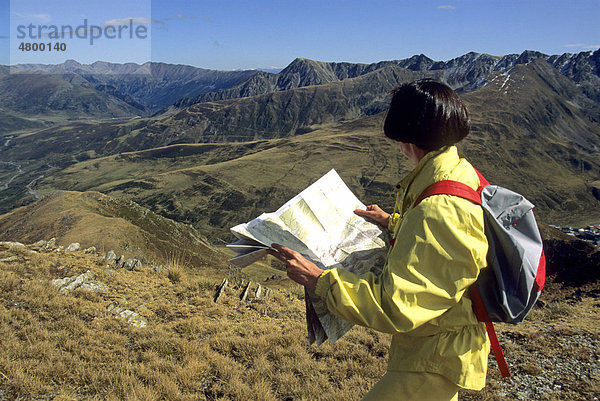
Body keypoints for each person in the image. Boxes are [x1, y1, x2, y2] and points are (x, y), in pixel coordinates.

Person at [269, 79, 490, 401]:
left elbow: (398, 306)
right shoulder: (456, 172)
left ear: (405, 136)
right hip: (436, 345)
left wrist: (320, 280)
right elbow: (448, 247)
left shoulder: (438, 208)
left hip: (435, 357)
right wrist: (394, 223)